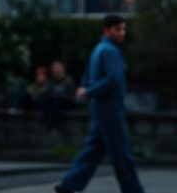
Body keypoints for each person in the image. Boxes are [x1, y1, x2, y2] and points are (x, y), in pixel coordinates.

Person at [55, 15, 143, 193]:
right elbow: (112, 80)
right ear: (106, 30)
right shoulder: (110, 51)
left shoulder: (99, 49)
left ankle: (68, 185)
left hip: (99, 105)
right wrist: (89, 91)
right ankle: (133, 191)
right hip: (109, 105)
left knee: (93, 150)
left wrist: (86, 89)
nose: (122, 33)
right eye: (117, 29)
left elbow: (88, 76)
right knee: (120, 152)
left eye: (123, 29)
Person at [40, 60, 76, 131]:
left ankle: (55, 126)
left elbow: (71, 96)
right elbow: (44, 92)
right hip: (53, 102)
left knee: (57, 102)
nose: (55, 70)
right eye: (54, 68)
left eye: (57, 67)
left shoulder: (68, 81)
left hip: (65, 103)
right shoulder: (51, 82)